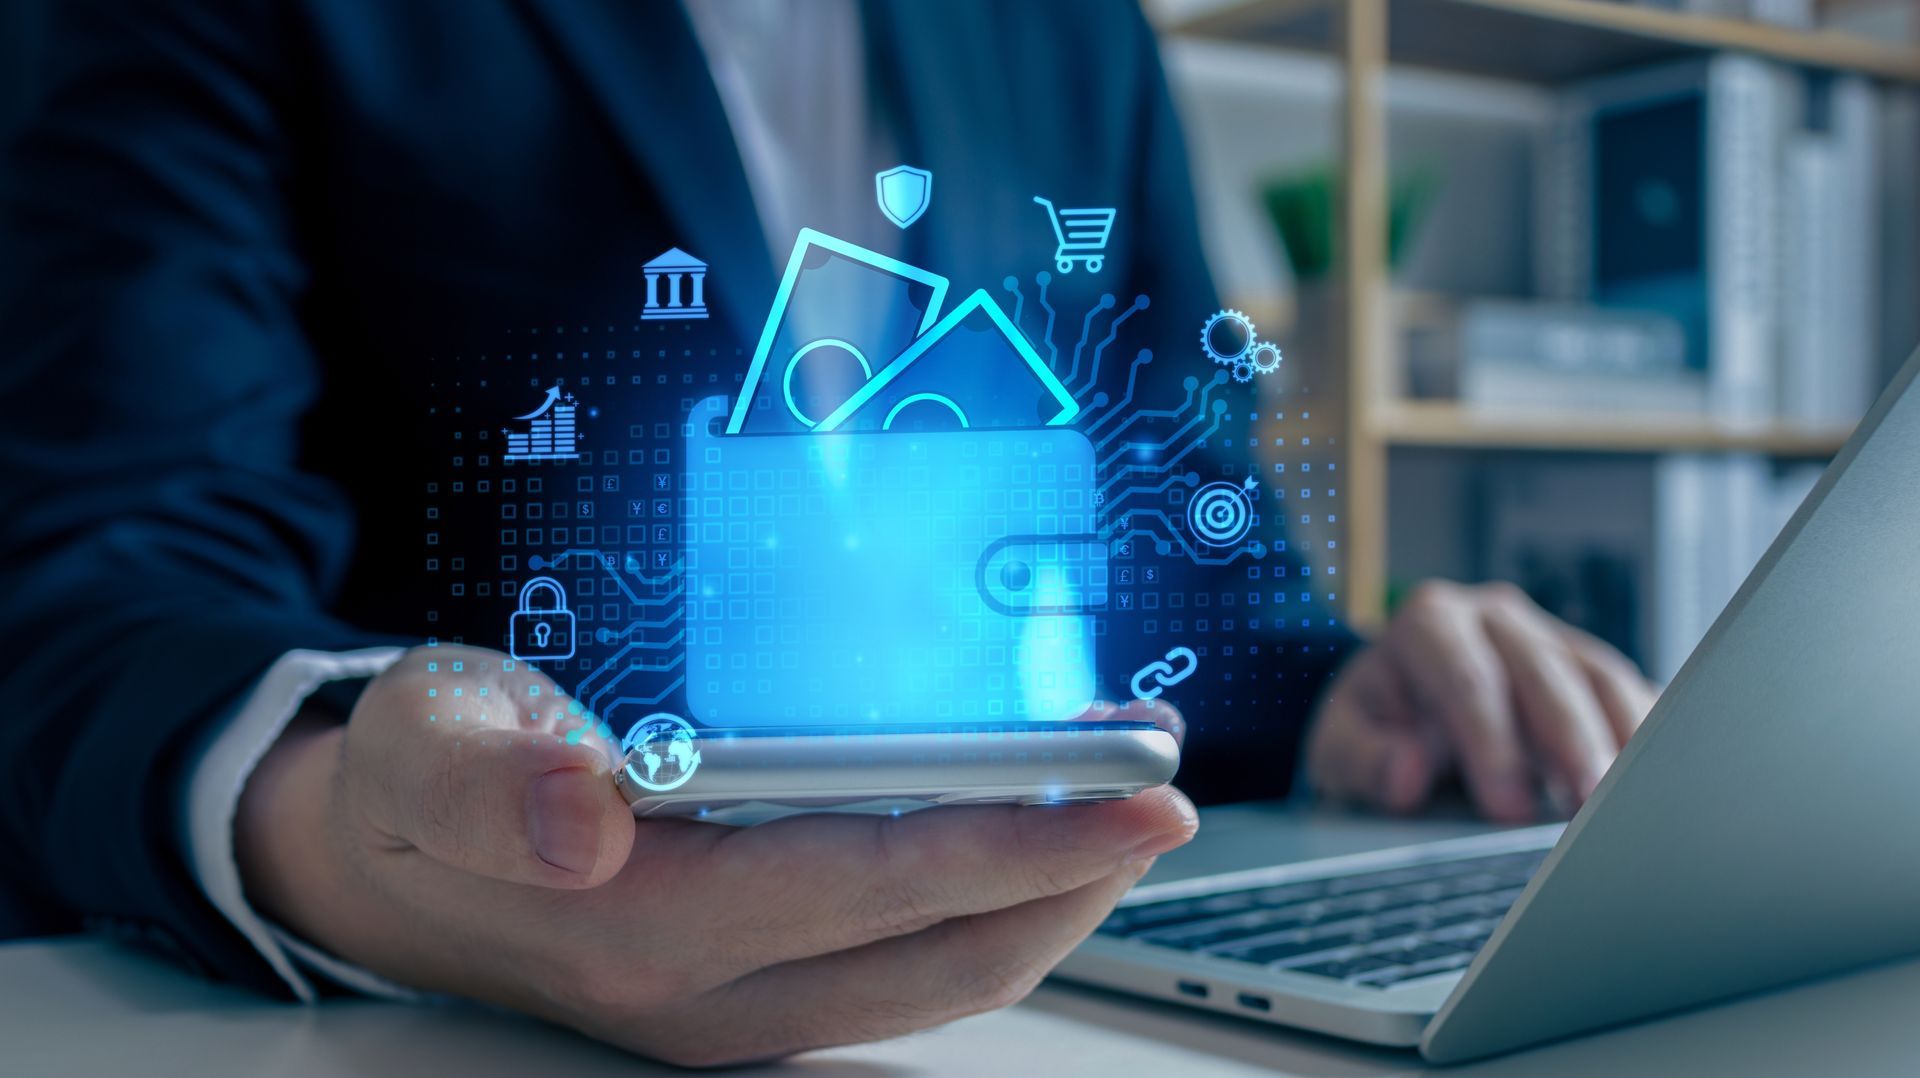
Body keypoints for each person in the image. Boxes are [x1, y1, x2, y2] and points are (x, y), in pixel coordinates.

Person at [0, 0, 1655, 1065]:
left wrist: (1340, 694)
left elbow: (1177, 556)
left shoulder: (1075, 31)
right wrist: (344, 828)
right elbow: (106, 558)